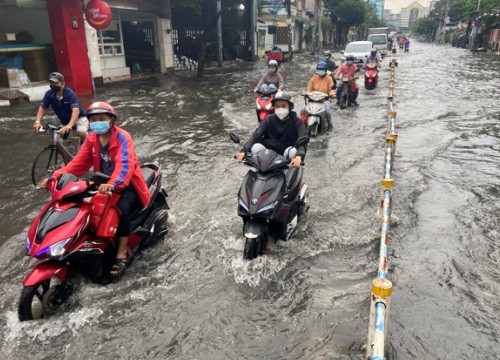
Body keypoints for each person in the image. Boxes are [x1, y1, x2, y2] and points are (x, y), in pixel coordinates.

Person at [39, 102, 151, 277]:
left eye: (101, 119)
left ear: (111, 121)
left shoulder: (123, 137)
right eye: (93, 120)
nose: (97, 123)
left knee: (122, 210)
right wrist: (56, 176)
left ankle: (121, 253)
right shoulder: (92, 138)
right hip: (103, 184)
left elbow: (125, 165)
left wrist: (114, 183)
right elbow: (78, 162)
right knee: (82, 207)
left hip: (126, 184)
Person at [236, 91, 307, 168]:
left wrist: (299, 155)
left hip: (286, 157)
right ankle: (257, 172)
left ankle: (290, 172)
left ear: (290, 107)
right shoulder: (268, 119)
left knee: (293, 151)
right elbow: (256, 135)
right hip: (267, 155)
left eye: (283, 106)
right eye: (277, 106)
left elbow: (302, 140)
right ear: (274, 107)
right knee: (256, 146)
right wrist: (244, 151)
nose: (280, 109)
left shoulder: (298, 122)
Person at [33, 72, 88, 142]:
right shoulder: (49, 94)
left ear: (63, 84)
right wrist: (37, 122)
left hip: (79, 119)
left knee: (81, 132)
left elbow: (76, 110)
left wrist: (70, 125)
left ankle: (89, 148)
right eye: (51, 83)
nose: (53, 85)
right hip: (64, 122)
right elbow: (42, 107)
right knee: (57, 141)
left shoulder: (70, 93)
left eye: (55, 83)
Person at [302, 61, 335, 130]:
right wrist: (306, 93)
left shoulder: (329, 79)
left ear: (325, 70)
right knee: (302, 109)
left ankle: (330, 125)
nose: (320, 71)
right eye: (319, 69)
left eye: (322, 69)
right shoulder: (313, 78)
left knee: (327, 112)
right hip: (313, 100)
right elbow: (309, 89)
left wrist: (332, 94)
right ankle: (301, 125)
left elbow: (331, 89)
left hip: (324, 100)